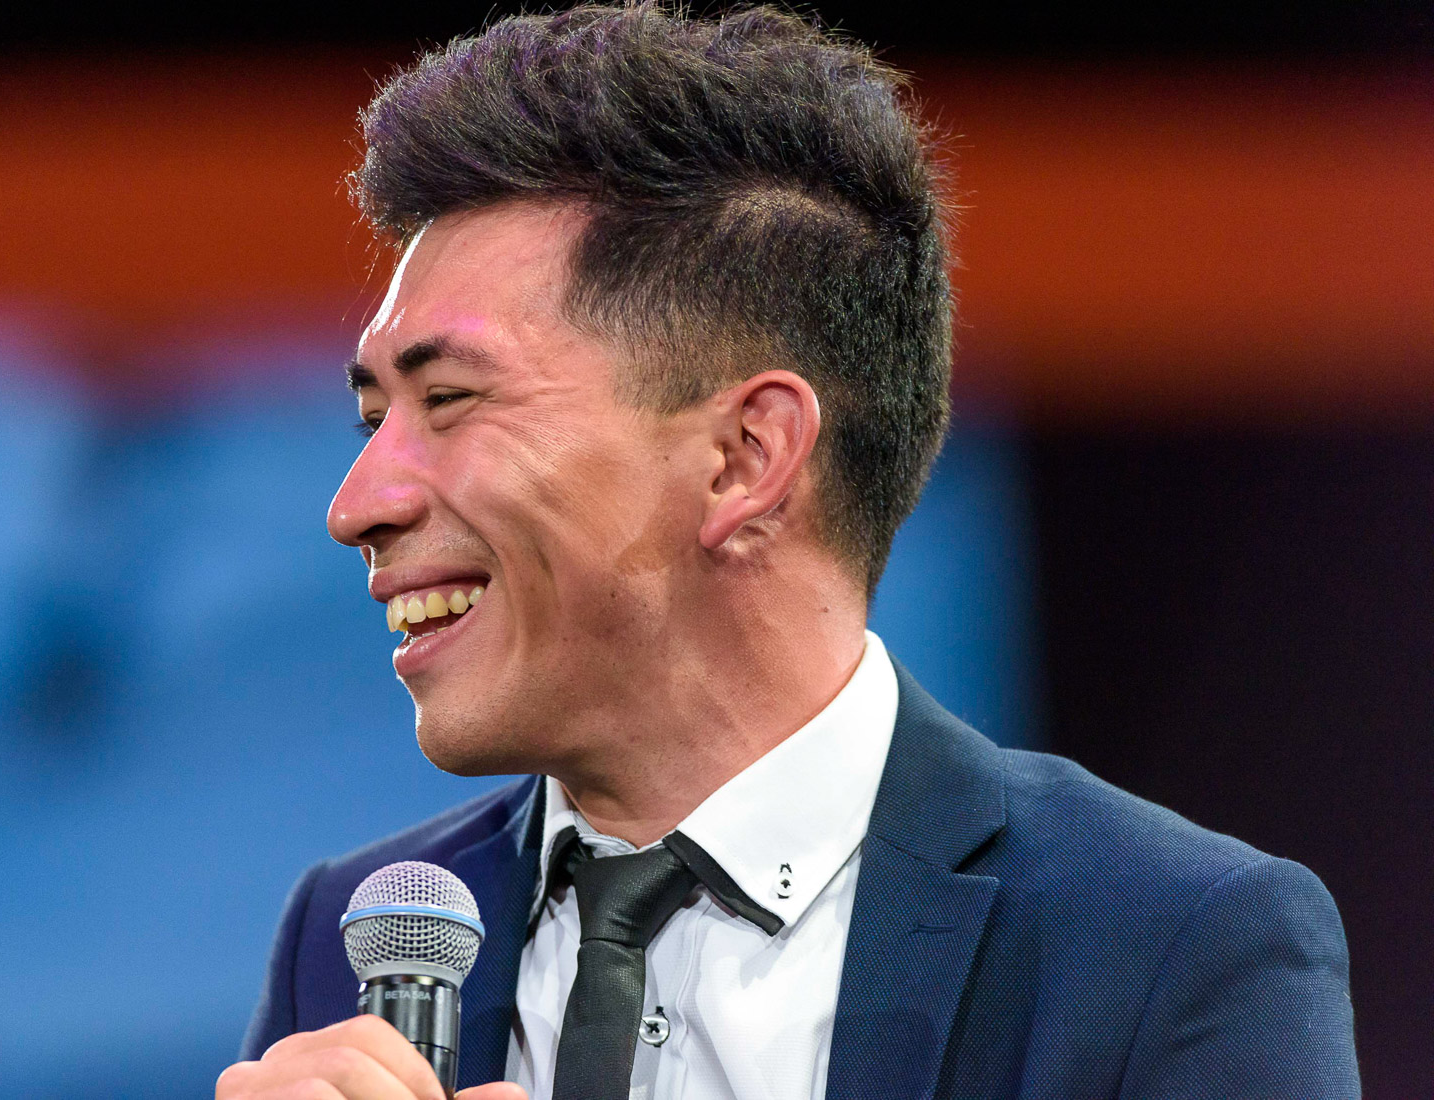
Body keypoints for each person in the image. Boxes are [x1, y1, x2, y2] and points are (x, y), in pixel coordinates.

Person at [219, 5, 1359, 1098]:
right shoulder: (351, 939)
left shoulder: (1165, 948)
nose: (356, 505)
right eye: (373, 418)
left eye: (451, 401)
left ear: (744, 456)